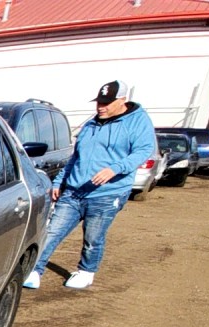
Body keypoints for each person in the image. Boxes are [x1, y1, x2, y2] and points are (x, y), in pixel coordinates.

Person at [24, 80, 155, 290]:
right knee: (52, 231)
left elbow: (143, 151)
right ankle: (35, 270)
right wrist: (60, 181)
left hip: (107, 192)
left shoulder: (137, 122)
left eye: (107, 103)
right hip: (75, 190)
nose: (100, 107)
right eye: (99, 102)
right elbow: (76, 156)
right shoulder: (92, 123)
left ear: (122, 100)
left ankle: (86, 271)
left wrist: (115, 168)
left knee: (93, 237)